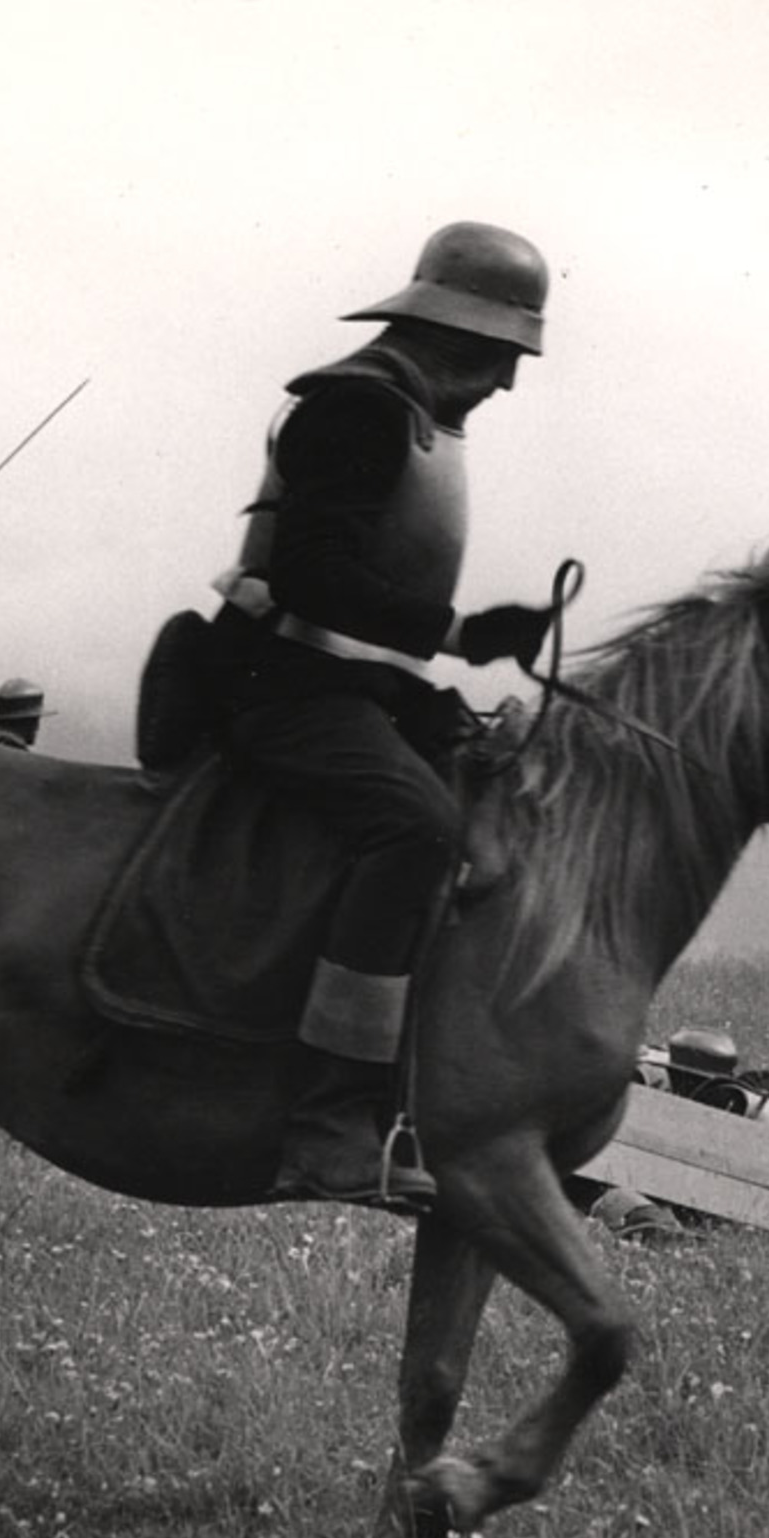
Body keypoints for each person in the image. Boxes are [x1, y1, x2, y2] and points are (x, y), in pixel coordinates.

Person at [206, 222, 563, 1210]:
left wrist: (461, 657)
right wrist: (454, 629)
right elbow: (309, 577)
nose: (507, 385)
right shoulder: (359, 408)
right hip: (284, 685)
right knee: (415, 831)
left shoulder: (405, 410)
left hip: (357, 685)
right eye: (503, 358)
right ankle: (325, 1124)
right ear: (456, 335)